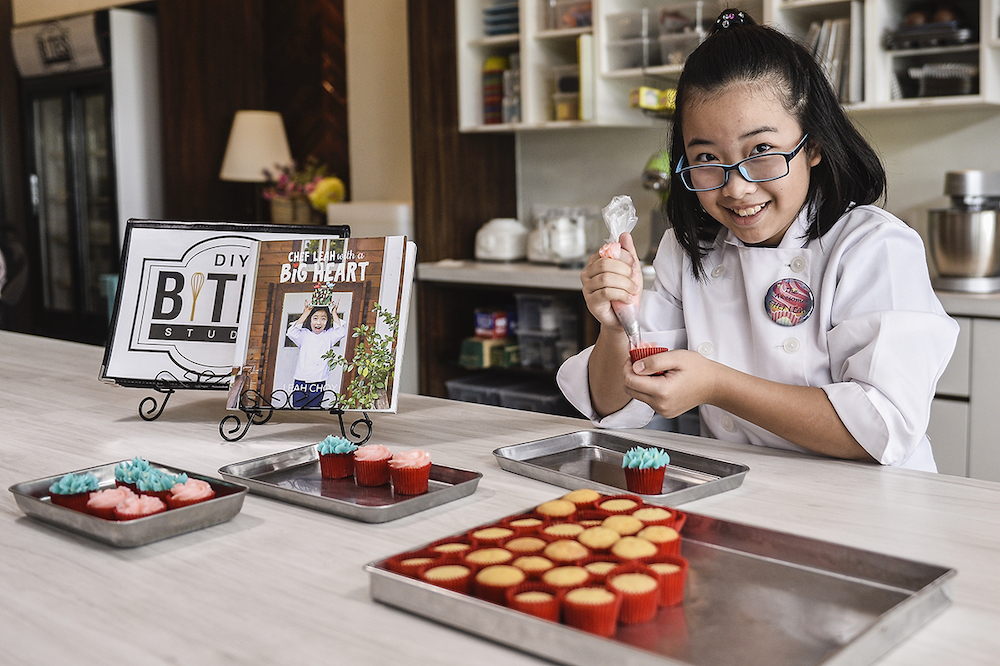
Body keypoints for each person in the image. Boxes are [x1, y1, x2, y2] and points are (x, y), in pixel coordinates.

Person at [557, 9, 959, 472]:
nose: (736, 188)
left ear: (813, 145)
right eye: (707, 157)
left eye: (762, 151)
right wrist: (614, 325)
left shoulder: (873, 247)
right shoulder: (689, 252)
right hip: (743, 498)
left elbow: (882, 427)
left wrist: (718, 385)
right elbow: (615, 405)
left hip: (868, 511)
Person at [285, 299, 348, 408]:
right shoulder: (303, 334)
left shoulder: (329, 335)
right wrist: (305, 313)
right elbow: (291, 332)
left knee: (314, 409)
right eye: (315, 318)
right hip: (301, 379)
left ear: (328, 321)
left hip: (319, 379)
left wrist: (334, 313)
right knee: (298, 408)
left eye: (323, 319)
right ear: (309, 320)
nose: (319, 322)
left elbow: (341, 332)